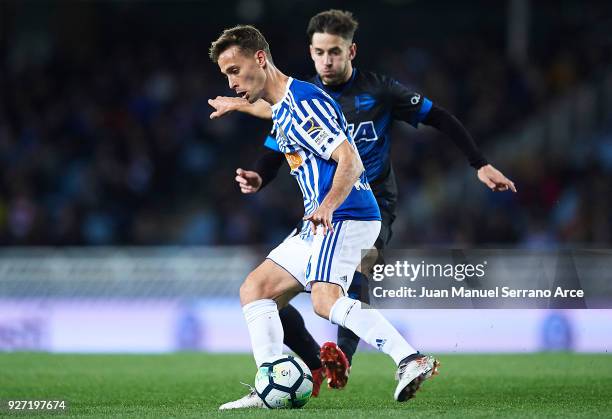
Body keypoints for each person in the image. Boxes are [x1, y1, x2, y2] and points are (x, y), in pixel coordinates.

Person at [209, 9, 516, 405]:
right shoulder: (288, 102)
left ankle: (409, 357)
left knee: (324, 299)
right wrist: (240, 108)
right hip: (322, 222)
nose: (232, 83)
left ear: (260, 59)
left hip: (346, 214)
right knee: (256, 289)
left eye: (235, 70)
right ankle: (272, 378)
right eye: (227, 77)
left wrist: (327, 204)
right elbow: (278, 112)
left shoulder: (304, 102)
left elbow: (350, 160)